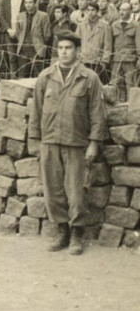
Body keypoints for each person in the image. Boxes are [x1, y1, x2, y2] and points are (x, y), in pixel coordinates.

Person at [30, 32, 106, 255]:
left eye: (69, 48)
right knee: (53, 190)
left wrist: (94, 142)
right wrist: (36, 141)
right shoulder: (45, 77)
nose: (64, 52)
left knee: (76, 191)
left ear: (78, 51)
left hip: (76, 142)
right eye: (61, 48)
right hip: (50, 141)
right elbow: (35, 111)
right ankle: (61, 230)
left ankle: (76, 234)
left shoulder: (89, 78)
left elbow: (97, 114)